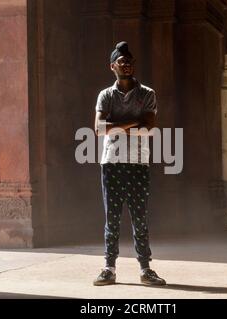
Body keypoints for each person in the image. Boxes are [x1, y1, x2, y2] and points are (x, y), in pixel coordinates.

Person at [93, 41, 166, 287]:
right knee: (112, 218)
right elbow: (98, 129)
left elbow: (148, 128)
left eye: (129, 62)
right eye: (121, 62)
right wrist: (131, 122)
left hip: (137, 163)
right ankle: (109, 268)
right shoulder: (105, 95)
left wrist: (116, 125)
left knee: (140, 217)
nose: (126, 66)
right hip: (111, 164)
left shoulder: (147, 93)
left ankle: (146, 269)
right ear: (112, 66)